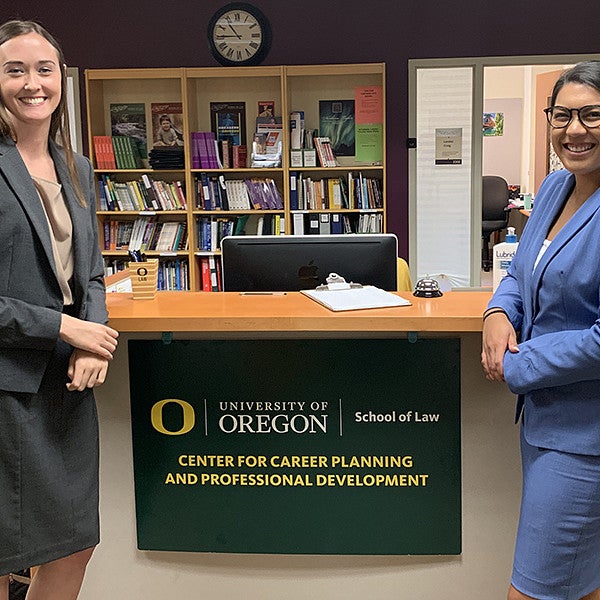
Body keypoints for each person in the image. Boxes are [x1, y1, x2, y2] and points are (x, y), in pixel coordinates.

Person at [0, 20, 119, 600]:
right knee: (7, 554)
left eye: (44, 70)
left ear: (61, 81)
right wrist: (66, 327)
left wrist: (90, 334)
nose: (32, 84)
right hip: (8, 387)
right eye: (14, 69)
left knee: (77, 542)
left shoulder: (74, 165)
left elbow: (91, 270)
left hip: (67, 389)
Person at [481, 61, 600, 600]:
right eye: (564, 115)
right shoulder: (555, 188)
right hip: (544, 425)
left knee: (534, 591)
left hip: (584, 439)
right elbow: (519, 270)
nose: (575, 130)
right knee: (581, 584)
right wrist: (497, 313)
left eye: (593, 115)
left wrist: (518, 363)